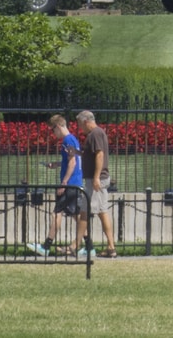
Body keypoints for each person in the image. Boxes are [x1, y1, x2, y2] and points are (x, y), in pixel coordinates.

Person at [26, 115, 86, 258]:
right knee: (77, 216)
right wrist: (57, 164)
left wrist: (63, 183)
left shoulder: (67, 140)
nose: (53, 134)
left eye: (53, 130)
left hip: (70, 184)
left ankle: (46, 246)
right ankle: (89, 246)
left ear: (58, 127)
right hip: (75, 183)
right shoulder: (74, 140)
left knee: (56, 213)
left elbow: (73, 163)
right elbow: (74, 159)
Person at [76, 111, 117, 259]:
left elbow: (99, 155)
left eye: (80, 125)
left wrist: (96, 177)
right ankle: (111, 247)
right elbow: (92, 154)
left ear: (86, 121)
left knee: (88, 211)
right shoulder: (95, 134)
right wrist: (78, 153)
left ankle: (75, 245)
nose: (81, 128)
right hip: (95, 179)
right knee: (99, 211)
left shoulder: (95, 134)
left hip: (96, 180)